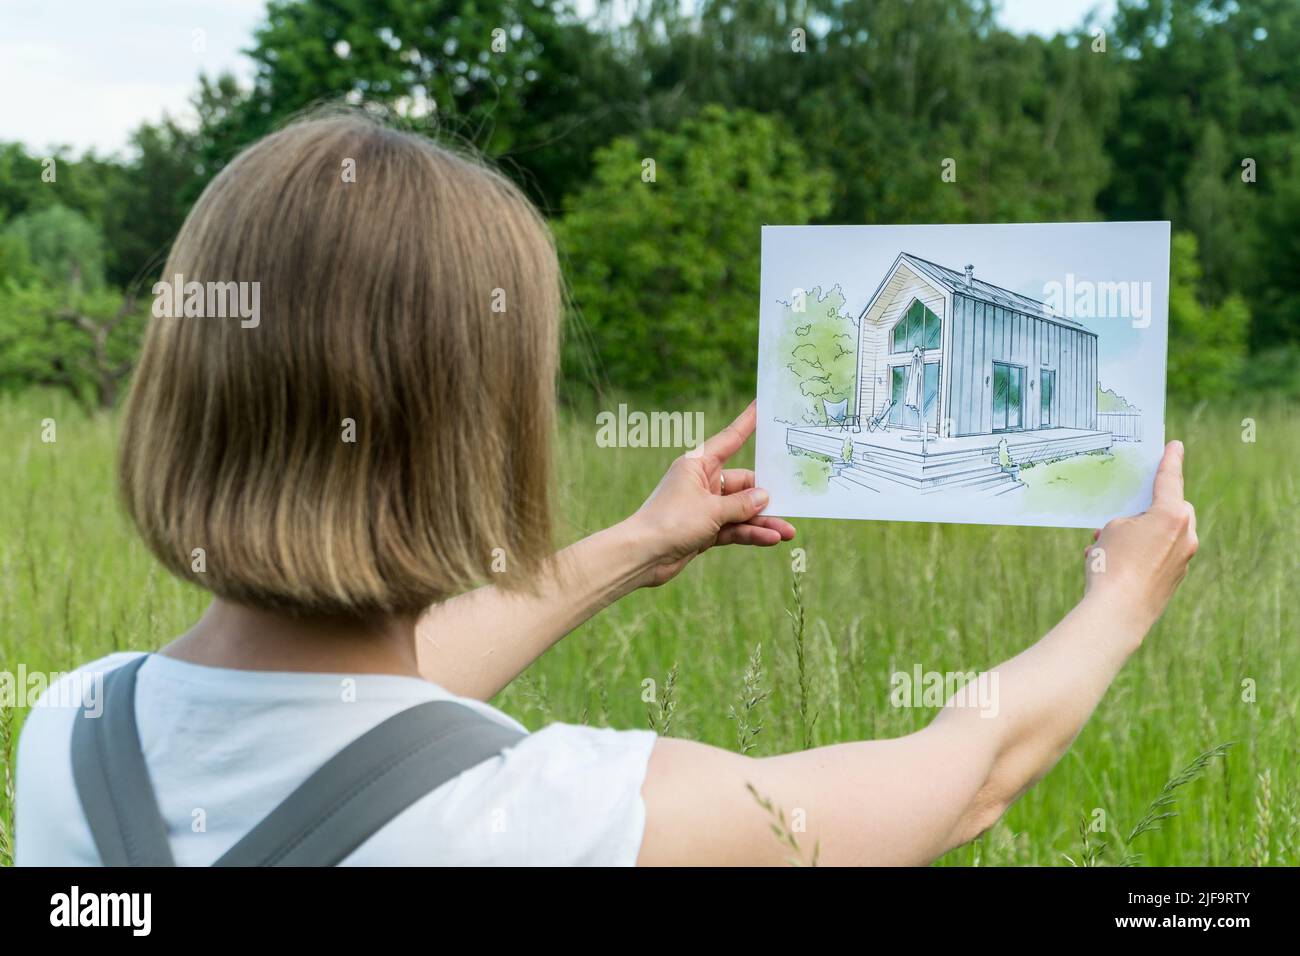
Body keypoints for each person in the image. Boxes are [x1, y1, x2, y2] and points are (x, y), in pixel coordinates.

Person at [15, 112, 1197, 866]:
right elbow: (966, 780)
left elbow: (357, 724)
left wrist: (636, 544)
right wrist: (1120, 598)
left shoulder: (72, 728)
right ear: (482, 434)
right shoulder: (557, 819)